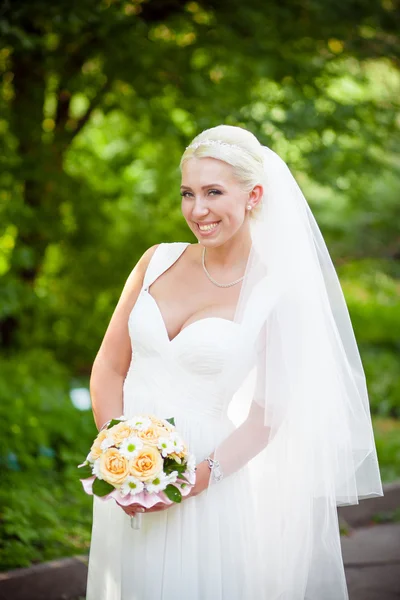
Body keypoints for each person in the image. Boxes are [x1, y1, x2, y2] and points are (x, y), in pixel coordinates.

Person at [86, 124, 383, 600]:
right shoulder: (154, 261)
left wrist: (191, 480)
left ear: (254, 196)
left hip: (206, 477)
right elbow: (109, 368)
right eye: (187, 193)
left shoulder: (275, 290)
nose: (197, 210)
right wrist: (120, 460)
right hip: (124, 477)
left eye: (213, 192)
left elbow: (267, 417)